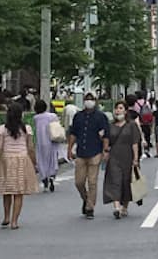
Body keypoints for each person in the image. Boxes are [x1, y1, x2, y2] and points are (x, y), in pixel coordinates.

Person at [0, 102, 38, 229]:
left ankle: (6, 217)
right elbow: (30, 147)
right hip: (22, 159)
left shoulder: (2, 128)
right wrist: (34, 162)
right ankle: (14, 221)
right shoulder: (27, 129)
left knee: (7, 191)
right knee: (18, 192)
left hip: (7, 160)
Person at [67, 91, 110, 220]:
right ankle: (85, 199)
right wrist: (69, 148)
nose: (89, 101)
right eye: (87, 98)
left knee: (92, 182)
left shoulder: (101, 117)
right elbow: (73, 133)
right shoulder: (78, 116)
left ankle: (90, 207)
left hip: (95, 152)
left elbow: (106, 135)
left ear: (96, 101)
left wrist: (105, 150)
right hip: (81, 152)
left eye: (91, 99)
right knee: (79, 182)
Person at [103, 101, 141, 219]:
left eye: (120, 108)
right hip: (114, 156)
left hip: (127, 156)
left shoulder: (132, 125)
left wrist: (135, 158)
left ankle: (125, 206)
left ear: (125, 111)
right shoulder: (111, 126)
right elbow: (107, 141)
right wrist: (105, 151)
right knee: (115, 181)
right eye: (116, 108)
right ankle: (117, 207)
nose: (118, 111)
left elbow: (135, 143)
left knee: (126, 181)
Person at [33, 100, 60, 192]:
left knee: (41, 161)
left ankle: (45, 180)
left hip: (40, 143)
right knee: (52, 160)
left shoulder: (36, 118)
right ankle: (52, 176)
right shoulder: (53, 116)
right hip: (52, 141)